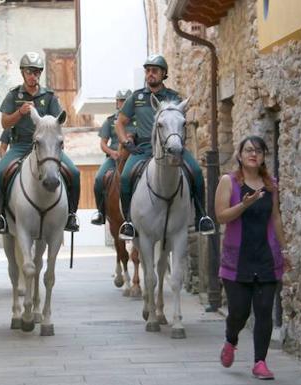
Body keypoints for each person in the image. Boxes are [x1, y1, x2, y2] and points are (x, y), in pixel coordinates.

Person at [114, 54, 215, 240]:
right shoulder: (136, 98)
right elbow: (120, 123)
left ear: (163, 74)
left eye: (154, 71)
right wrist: (126, 142)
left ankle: (202, 216)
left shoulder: (174, 97)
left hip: (173, 148)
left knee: (197, 173)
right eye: (148, 71)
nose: (150, 74)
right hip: (143, 149)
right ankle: (129, 222)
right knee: (126, 177)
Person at [214, 135, 290, 380]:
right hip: (237, 260)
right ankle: (231, 339)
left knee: (265, 310)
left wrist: (285, 249)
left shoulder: (271, 184)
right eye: (248, 150)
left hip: (266, 257)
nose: (253, 154)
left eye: (258, 150)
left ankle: (260, 362)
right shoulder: (229, 182)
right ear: (240, 154)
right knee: (239, 311)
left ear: (263, 156)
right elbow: (221, 216)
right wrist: (244, 205)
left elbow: (275, 217)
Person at [0, 51, 80, 233]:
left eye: (37, 72)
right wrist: (19, 112)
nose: (33, 76)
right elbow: (4, 122)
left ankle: (71, 215)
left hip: (46, 147)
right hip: (21, 145)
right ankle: (0, 217)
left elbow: (58, 122)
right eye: (30, 72)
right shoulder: (13, 96)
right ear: (23, 73)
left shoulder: (49, 97)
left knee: (74, 173)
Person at [90, 89, 135, 225]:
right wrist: (112, 152)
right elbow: (103, 143)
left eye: (126, 101)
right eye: (121, 101)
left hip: (134, 156)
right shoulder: (110, 121)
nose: (123, 103)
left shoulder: (137, 120)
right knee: (98, 179)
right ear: (117, 103)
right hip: (113, 157)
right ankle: (101, 213)